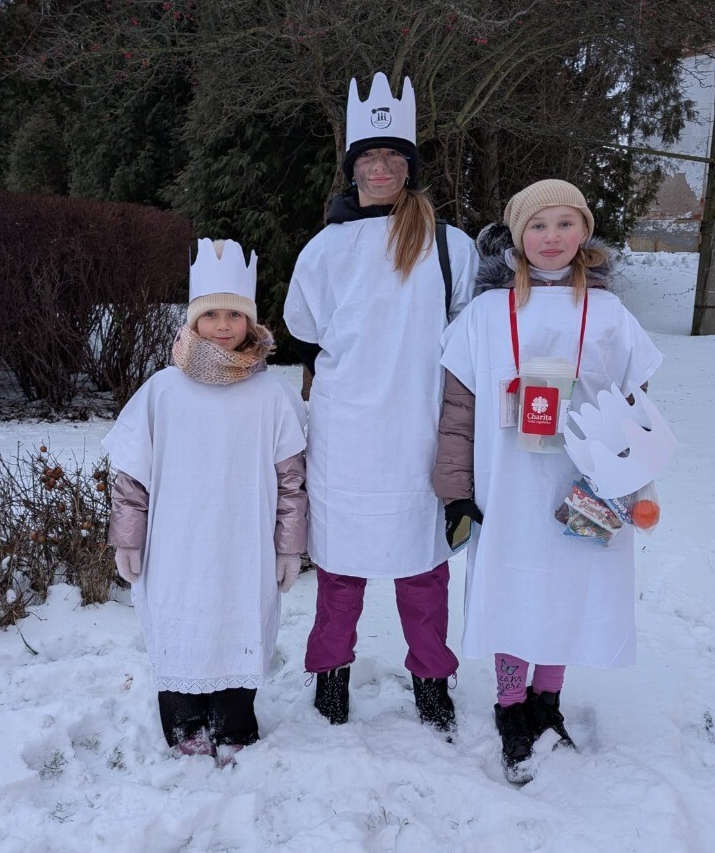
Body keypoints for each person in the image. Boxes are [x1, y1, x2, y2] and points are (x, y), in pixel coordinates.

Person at [432, 179, 662, 783]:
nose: (551, 237)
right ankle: (511, 706)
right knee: (512, 589)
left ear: (584, 231)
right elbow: (458, 408)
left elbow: (636, 404)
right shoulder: (485, 313)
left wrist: (632, 477)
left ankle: (547, 700)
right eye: (537, 225)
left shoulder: (610, 314)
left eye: (565, 223)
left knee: (569, 588)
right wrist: (456, 489)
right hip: (507, 484)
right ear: (517, 237)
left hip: (583, 481)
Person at [284, 72, 479, 733]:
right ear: (353, 167)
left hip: (417, 431)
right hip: (346, 432)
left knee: (421, 574)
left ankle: (432, 681)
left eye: (393, 157)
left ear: (408, 167)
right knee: (339, 574)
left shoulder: (448, 244)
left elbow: (466, 332)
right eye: (368, 157)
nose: (380, 169)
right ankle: (330, 677)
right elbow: (305, 328)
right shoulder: (325, 248)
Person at [104, 238, 308, 766]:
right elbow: (133, 476)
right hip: (177, 544)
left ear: (250, 322)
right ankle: (184, 722)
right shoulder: (163, 391)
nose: (222, 325)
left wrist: (289, 546)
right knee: (182, 627)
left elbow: (290, 481)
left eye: (234, 315)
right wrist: (128, 538)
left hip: (243, 544)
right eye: (211, 314)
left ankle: (234, 722)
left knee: (237, 625)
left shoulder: (272, 395)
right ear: (193, 320)